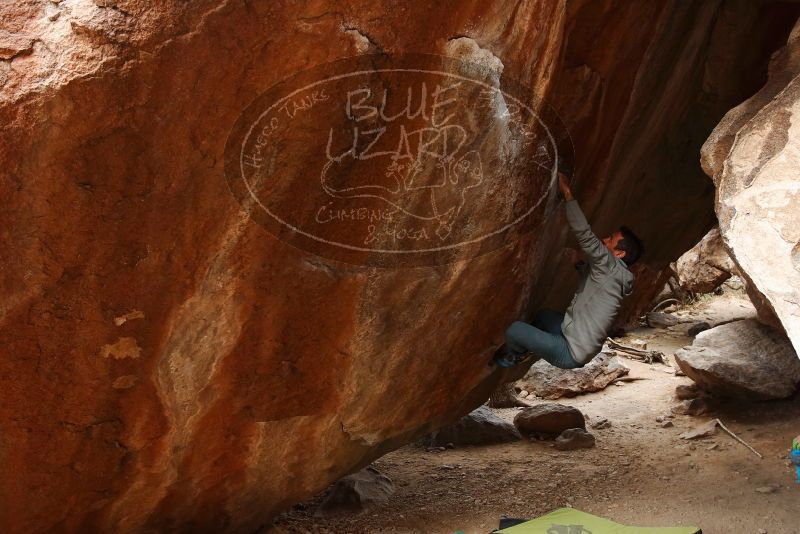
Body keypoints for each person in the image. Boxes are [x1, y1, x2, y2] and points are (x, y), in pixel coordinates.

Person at [494, 170, 643, 369]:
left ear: (619, 254)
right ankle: (533, 346)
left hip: (570, 351)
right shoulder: (616, 275)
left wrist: (567, 194)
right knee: (544, 316)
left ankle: (515, 356)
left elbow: (585, 234)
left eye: (611, 239)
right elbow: (596, 287)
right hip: (576, 338)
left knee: (514, 331)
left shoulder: (610, 266)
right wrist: (583, 269)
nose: (605, 239)